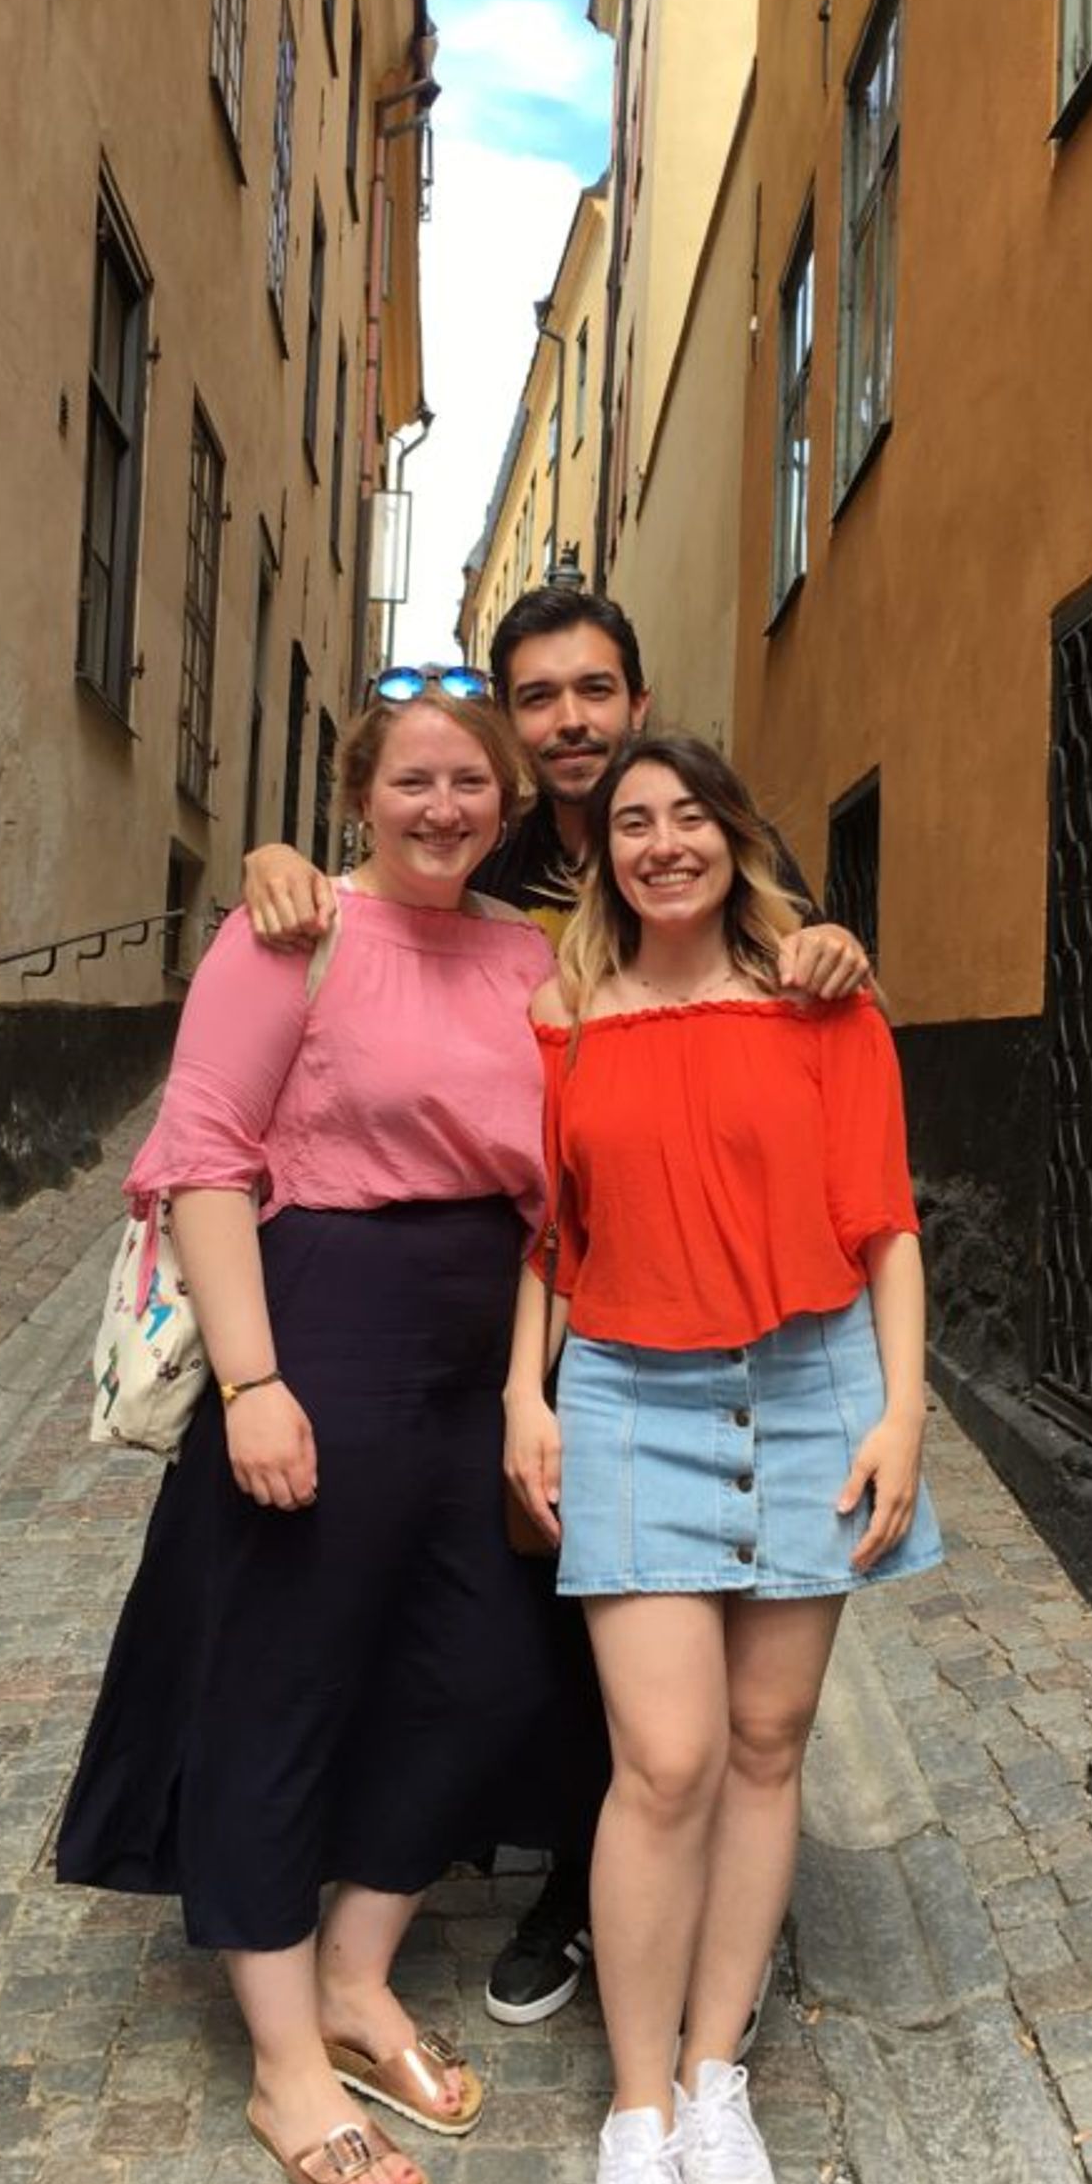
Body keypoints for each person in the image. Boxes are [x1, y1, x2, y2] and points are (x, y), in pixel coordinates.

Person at [241, 589, 872, 2032]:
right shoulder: (492, 855)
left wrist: (839, 952)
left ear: (638, 702)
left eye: (595, 690)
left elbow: (792, 997)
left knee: (716, 1637)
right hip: (524, 1296)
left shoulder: (712, 839)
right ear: (514, 733)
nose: (571, 720)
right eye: (538, 698)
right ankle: (581, 1874)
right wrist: (286, 862)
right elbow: (383, 892)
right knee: (549, 1603)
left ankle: (648, 1905)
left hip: (703, 1316)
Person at [56, 680, 565, 2184]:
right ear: (363, 795)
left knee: (486, 1668)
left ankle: (356, 1973)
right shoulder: (290, 931)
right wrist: (257, 1379)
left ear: (509, 803)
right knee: (281, 1679)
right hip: (325, 1317)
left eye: (471, 784)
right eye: (414, 781)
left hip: (485, 1339)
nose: (443, 809)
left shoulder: (535, 955)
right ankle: (286, 2060)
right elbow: (204, 1152)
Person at [503, 732, 942, 2184]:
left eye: (692, 815)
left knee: (767, 1741)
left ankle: (712, 2077)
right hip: (629, 1388)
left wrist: (903, 1409)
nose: (664, 841)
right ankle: (635, 2108)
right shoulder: (566, 1015)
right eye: (634, 820)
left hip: (813, 1386)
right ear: (601, 852)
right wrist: (525, 1390)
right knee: (668, 1759)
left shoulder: (822, 1000)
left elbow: (884, 1217)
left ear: (734, 836)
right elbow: (555, 1232)